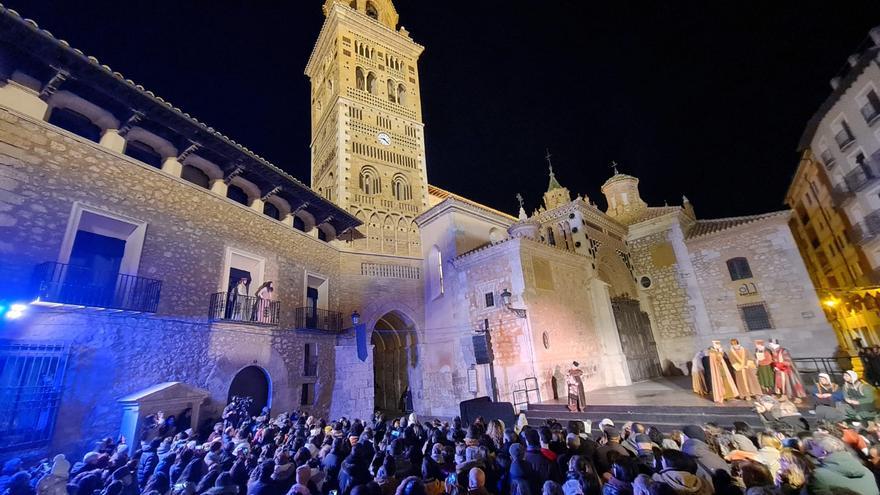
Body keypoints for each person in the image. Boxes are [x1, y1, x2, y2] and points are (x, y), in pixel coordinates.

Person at [805, 433, 879, 495]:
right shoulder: (867, 471)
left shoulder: (819, 476)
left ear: (824, 452)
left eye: (811, 450)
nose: (810, 452)